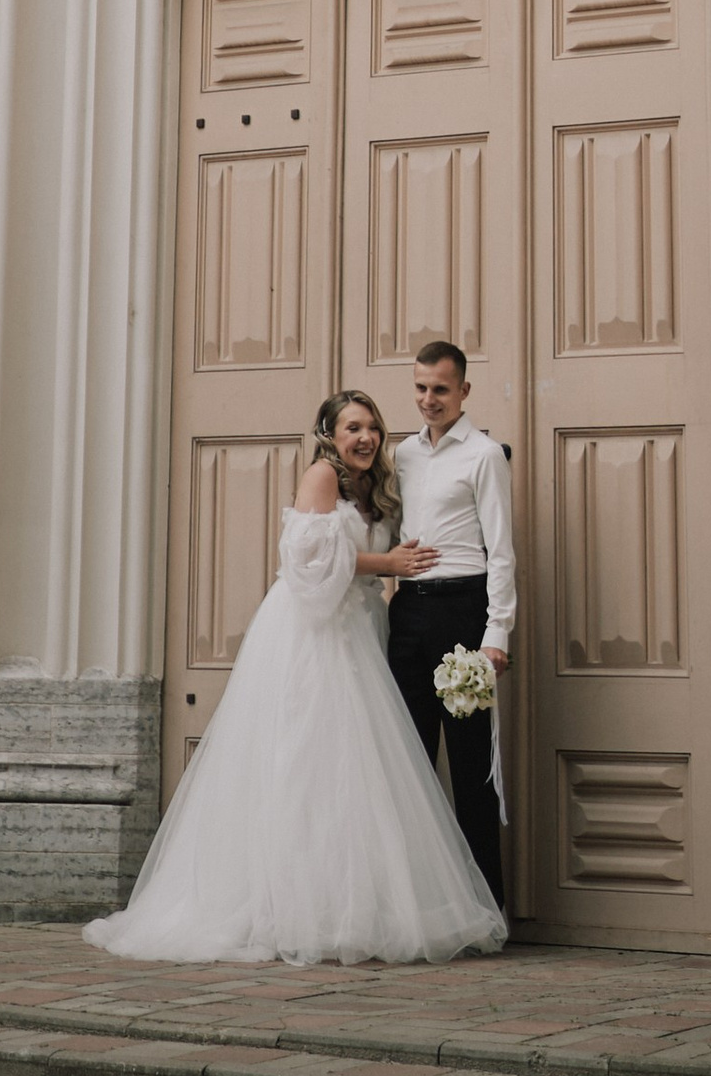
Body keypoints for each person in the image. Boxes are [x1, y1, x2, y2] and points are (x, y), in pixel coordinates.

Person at [84, 385, 507, 964]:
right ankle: (284, 906)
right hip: (314, 632)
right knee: (306, 757)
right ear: (330, 435)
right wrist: (387, 564)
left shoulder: (378, 483)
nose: (365, 438)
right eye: (352, 428)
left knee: (356, 771)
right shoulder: (322, 478)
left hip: (361, 627)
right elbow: (303, 560)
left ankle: (351, 903)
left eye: (372, 428)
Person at [387, 339, 513, 910]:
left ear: (463, 390)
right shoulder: (402, 455)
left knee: (470, 771)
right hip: (409, 612)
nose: (428, 399)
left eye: (440, 388)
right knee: (409, 763)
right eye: (420, 388)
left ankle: (487, 909)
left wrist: (495, 637)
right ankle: (419, 907)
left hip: (465, 611)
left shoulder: (484, 455)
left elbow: (502, 551)